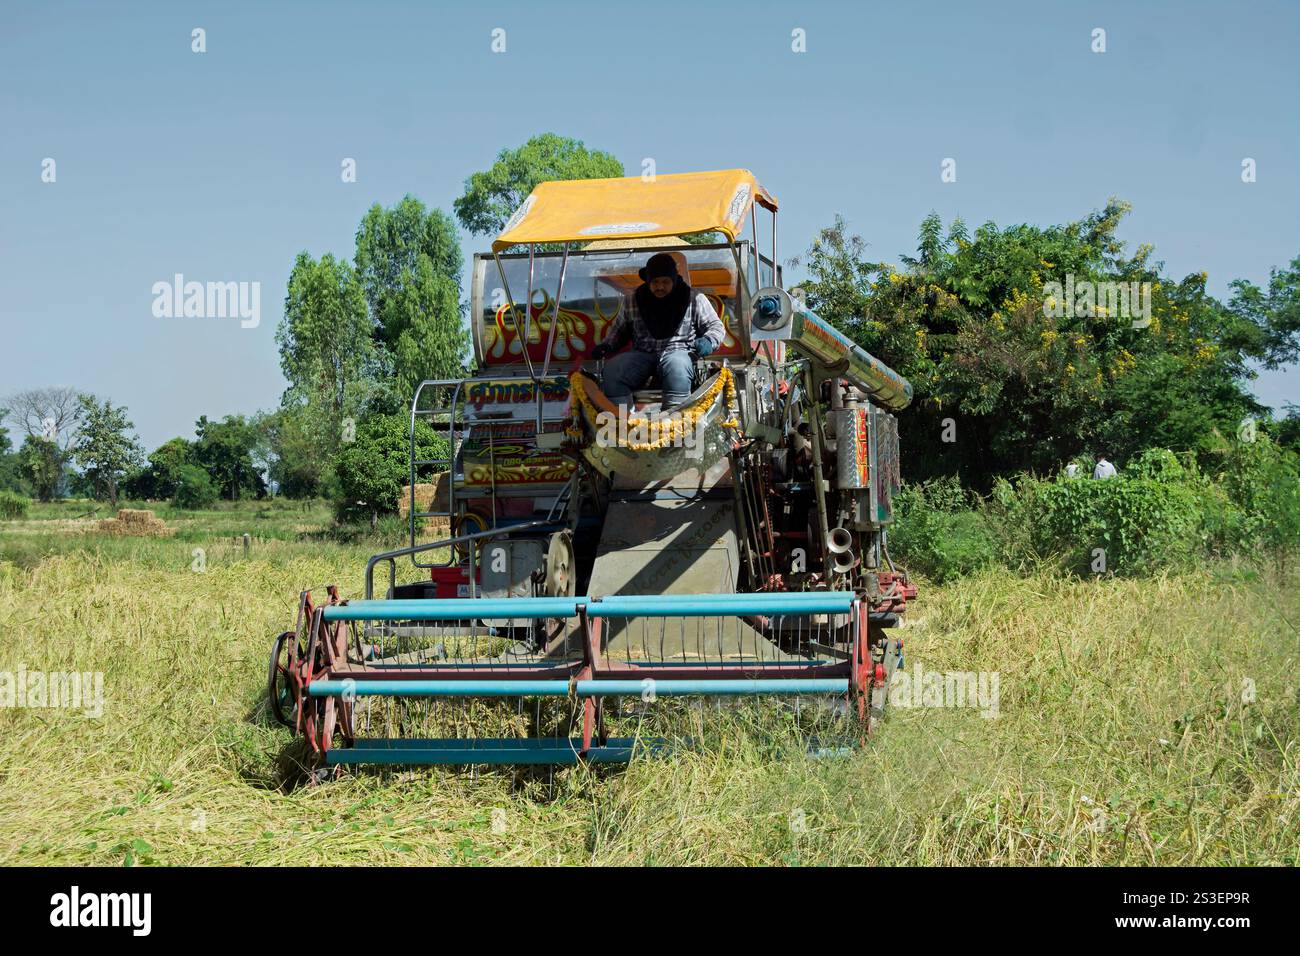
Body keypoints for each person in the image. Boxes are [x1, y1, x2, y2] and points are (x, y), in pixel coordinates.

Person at [590, 252, 725, 409]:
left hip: (679, 352)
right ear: (648, 281)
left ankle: (674, 424)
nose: (660, 286)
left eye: (665, 282)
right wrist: (607, 346)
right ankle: (622, 422)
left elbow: (716, 326)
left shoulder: (693, 298)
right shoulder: (632, 300)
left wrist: (708, 341)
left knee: (677, 367)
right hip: (642, 354)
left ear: (674, 280)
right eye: (655, 282)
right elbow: (618, 332)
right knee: (612, 370)